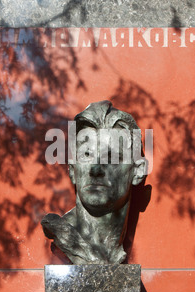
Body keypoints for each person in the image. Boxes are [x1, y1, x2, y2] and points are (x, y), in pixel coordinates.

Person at [41, 100, 148, 264]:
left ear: (137, 171)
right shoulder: (62, 232)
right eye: (86, 155)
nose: (95, 169)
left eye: (111, 158)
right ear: (72, 170)